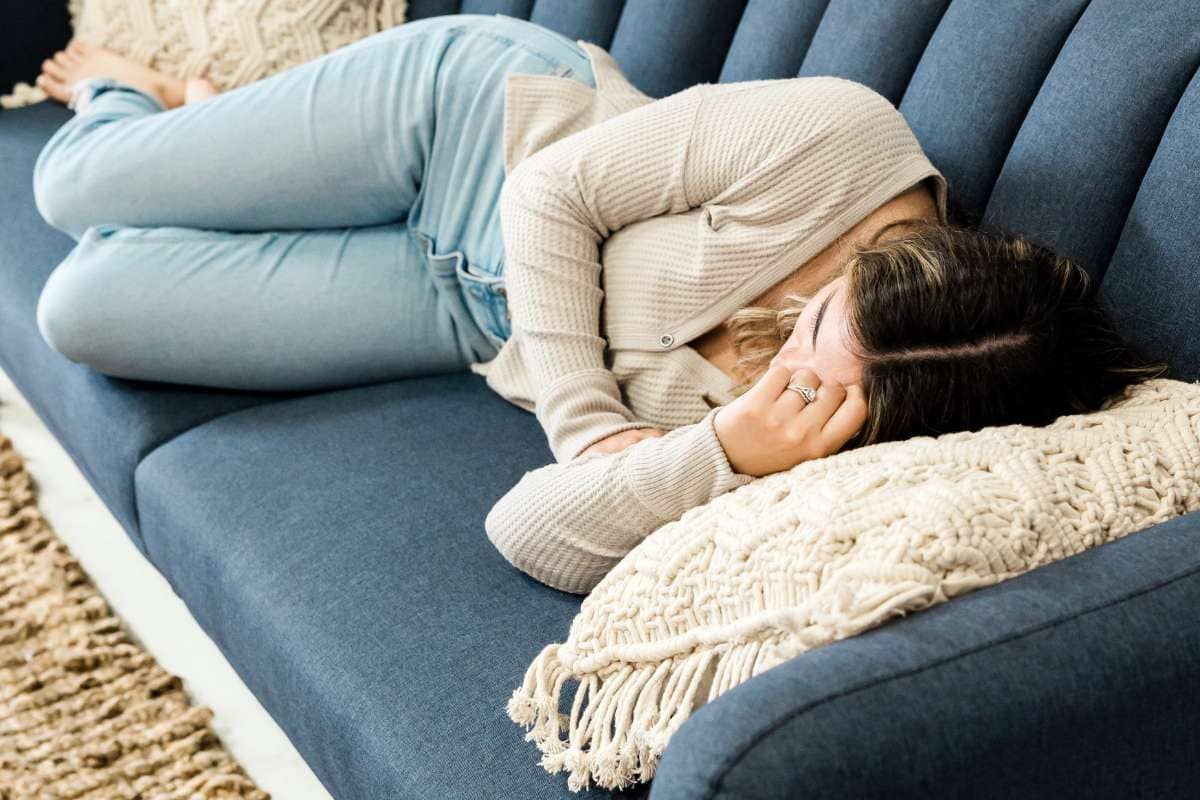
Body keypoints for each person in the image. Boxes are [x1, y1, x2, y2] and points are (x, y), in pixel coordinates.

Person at [30, 13, 1167, 595]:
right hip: (473, 127)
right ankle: (150, 102)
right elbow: (552, 188)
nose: (798, 337)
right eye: (832, 302)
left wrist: (721, 448)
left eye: (822, 377)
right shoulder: (844, 137)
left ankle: (220, 150)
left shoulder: (832, 442)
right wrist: (588, 429)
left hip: (467, 314)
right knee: (67, 182)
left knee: (82, 308)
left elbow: (524, 529)